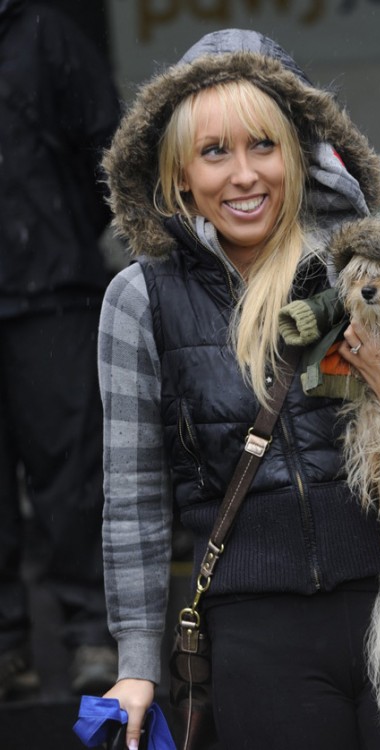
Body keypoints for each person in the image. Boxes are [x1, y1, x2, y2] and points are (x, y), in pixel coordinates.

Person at [98, 29, 380, 750]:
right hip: (257, 634)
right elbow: (132, 500)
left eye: (263, 146)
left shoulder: (370, 265)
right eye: (215, 152)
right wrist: (134, 664)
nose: (243, 175)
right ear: (179, 173)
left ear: (300, 156)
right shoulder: (138, 300)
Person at [0, 0, 121, 698]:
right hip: (43, 280)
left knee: (73, 476)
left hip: (53, 293)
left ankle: (89, 634)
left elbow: (110, 150)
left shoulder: (46, 34)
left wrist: (59, 230)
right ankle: (5, 645)